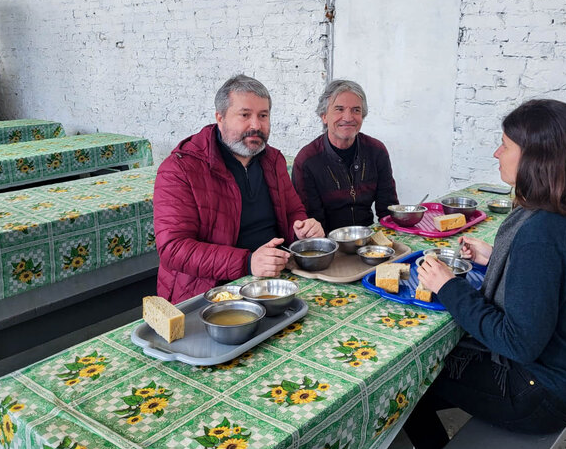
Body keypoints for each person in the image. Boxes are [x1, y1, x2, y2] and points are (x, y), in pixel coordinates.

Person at [404, 99, 566, 449]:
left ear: (535, 159)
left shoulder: (541, 233)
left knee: (408, 385)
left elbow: (517, 342)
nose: (496, 153)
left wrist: (447, 286)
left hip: (543, 393)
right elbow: (547, 277)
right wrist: (495, 257)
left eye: (505, 145)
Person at [153, 74, 324, 303]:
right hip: (209, 292)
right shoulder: (180, 168)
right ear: (220, 118)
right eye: (245, 115)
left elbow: (294, 212)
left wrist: (302, 230)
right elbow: (173, 249)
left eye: (263, 115)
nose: (256, 125)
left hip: (273, 278)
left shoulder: (273, 160)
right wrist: (248, 262)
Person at [292, 79, 399, 233]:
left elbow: (388, 210)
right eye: (339, 109)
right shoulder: (307, 161)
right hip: (327, 241)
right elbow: (311, 221)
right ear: (324, 116)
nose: (348, 118)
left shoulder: (376, 151)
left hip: (367, 238)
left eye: (356, 110)